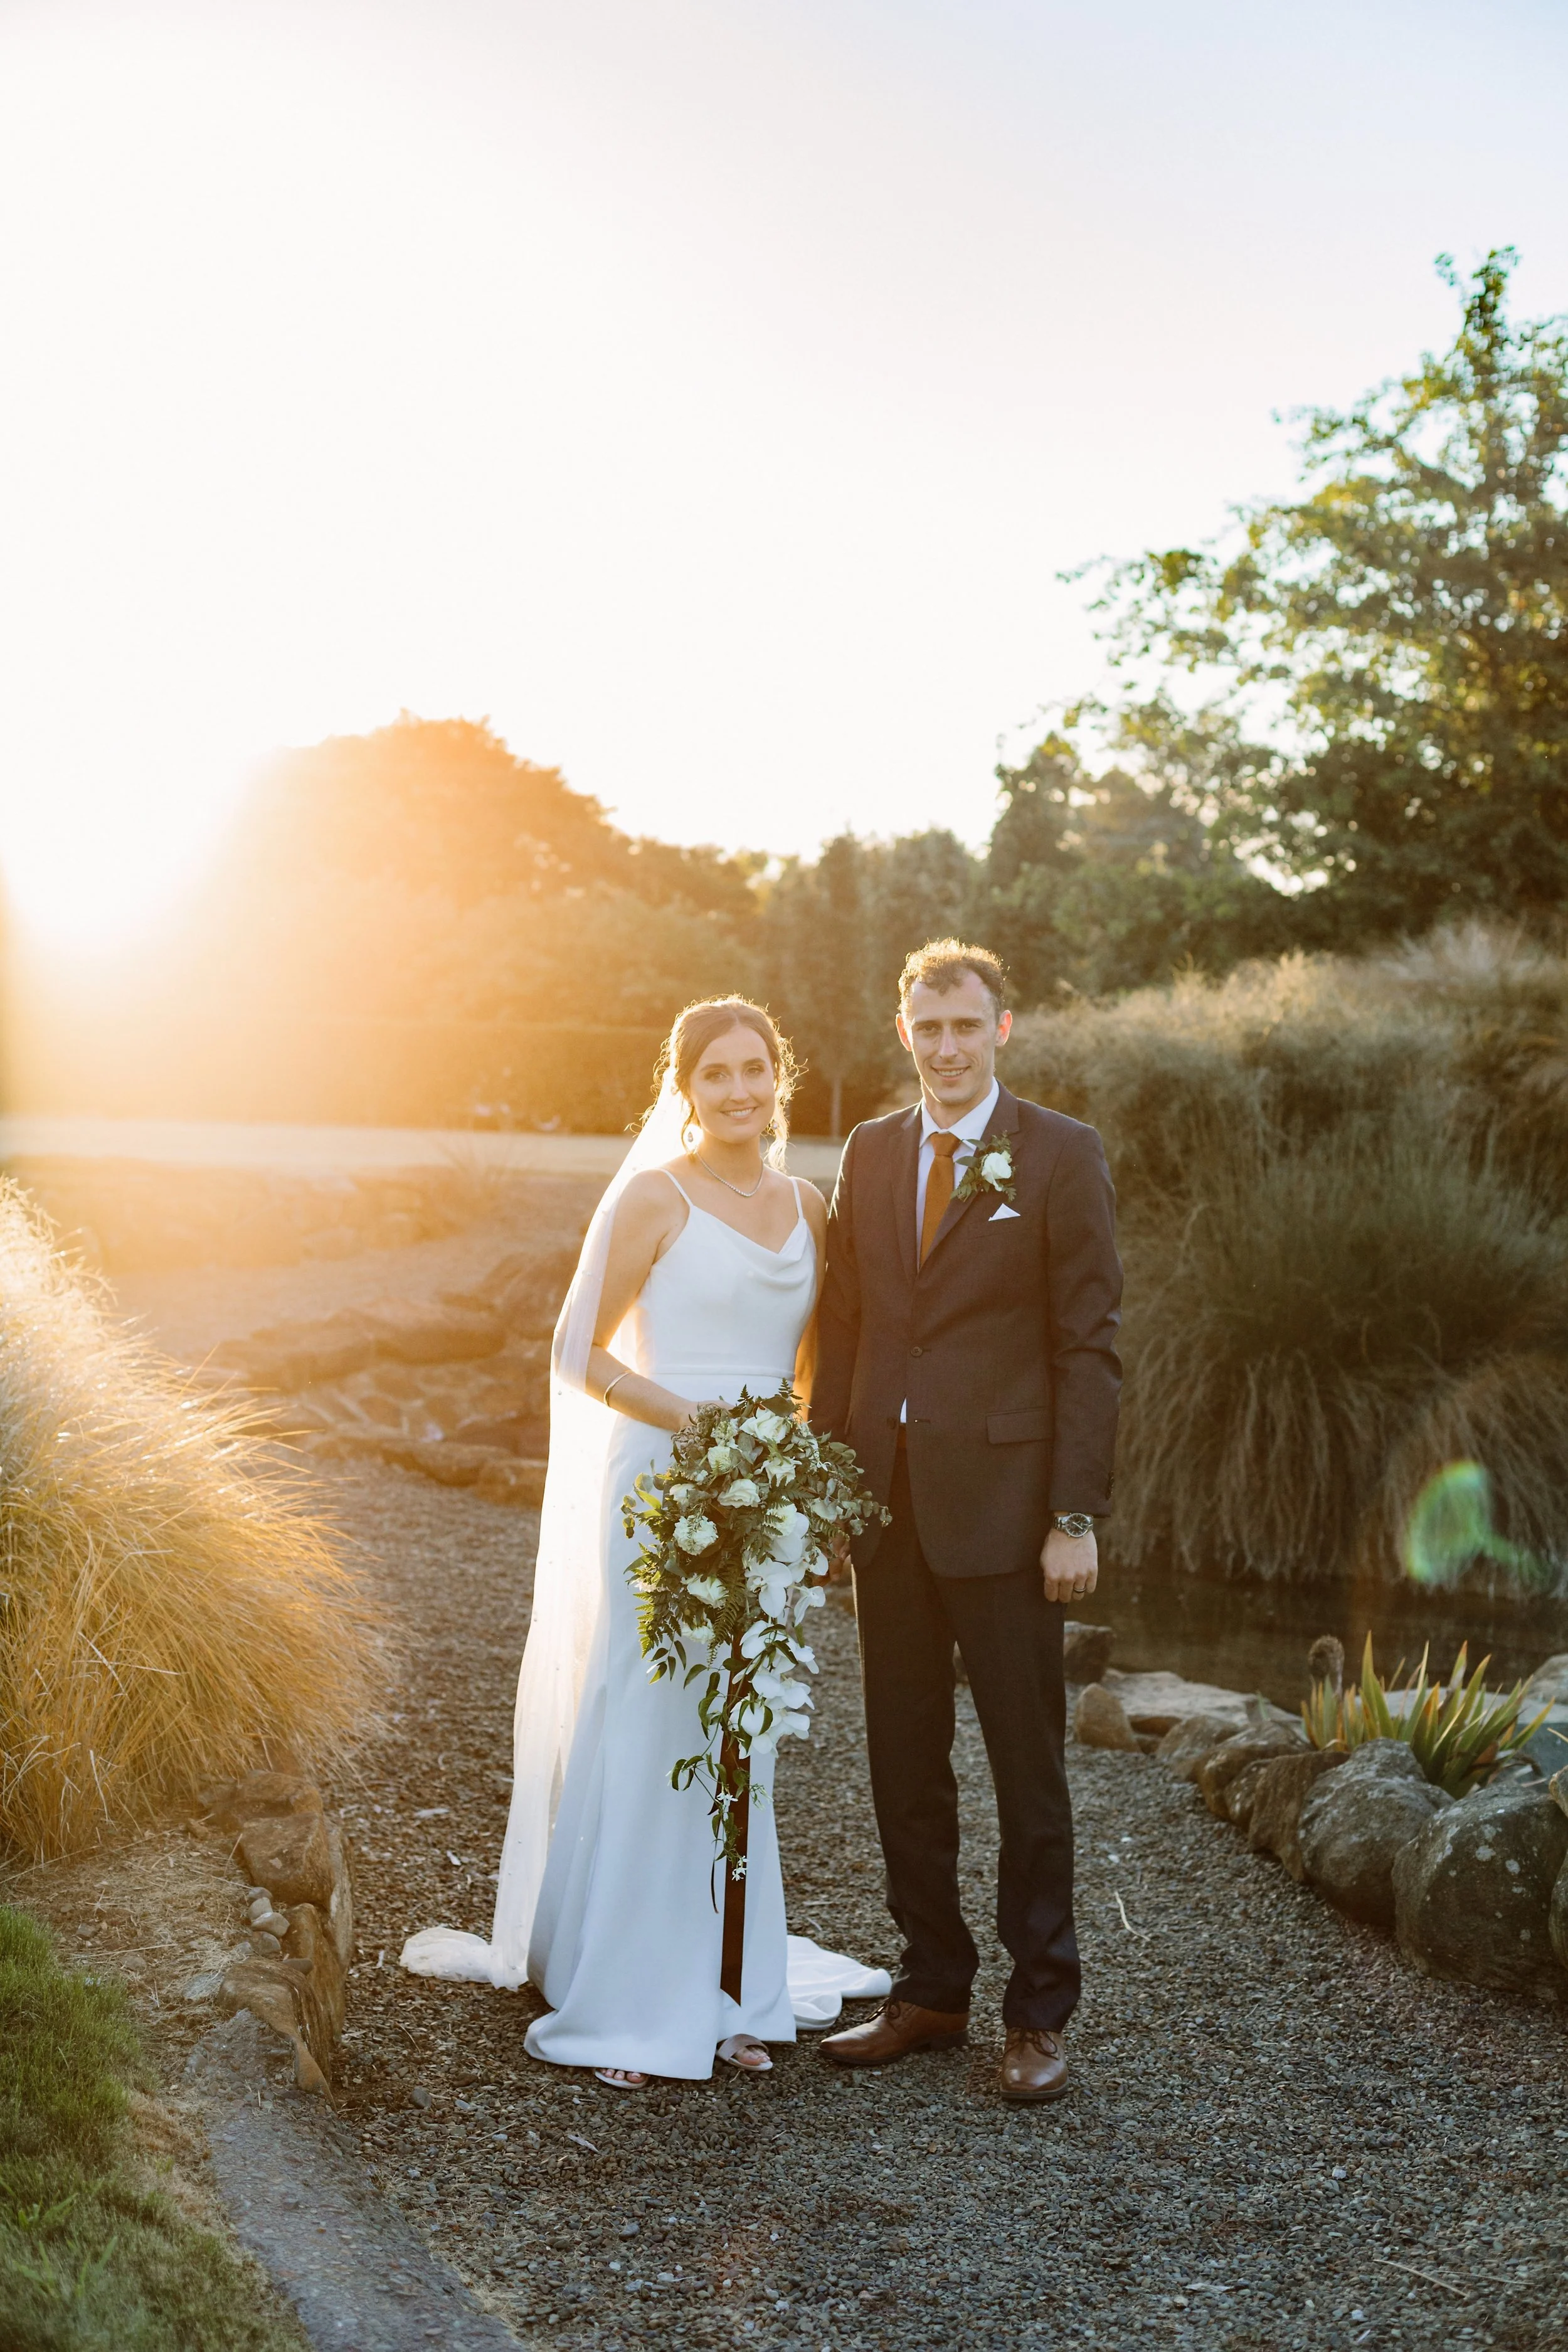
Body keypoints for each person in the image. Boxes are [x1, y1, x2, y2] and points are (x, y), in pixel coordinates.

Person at [401, 998, 888, 2086]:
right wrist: (701, 1429)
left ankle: (733, 1990)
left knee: (743, 1732)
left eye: (754, 1068)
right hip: (664, 1483)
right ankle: (625, 1995)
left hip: (765, 1491)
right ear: (686, 1087)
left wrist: (793, 1472)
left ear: (780, 1075)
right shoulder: (651, 1199)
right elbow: (579, 1353)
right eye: (714, 1073)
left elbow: (811, 1370)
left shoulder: (810, 1205)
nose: (738, 1090)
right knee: (658, 1710)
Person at [810, 939, 1121, 2103]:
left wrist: (1073, 1514)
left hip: (1007, 1520)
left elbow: (1088, 1346)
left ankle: (1039, 2013)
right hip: (887, 1514)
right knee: (903, 1762)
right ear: (906, 1032)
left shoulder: (1061, 1154)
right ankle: (932, 1987)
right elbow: (848, 1332)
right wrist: (838, 1494)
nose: (946, 1047)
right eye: (927, 1028)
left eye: (965, 1026)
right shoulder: (872, 1150)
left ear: (1001, 1028)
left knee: (1026, 1772)